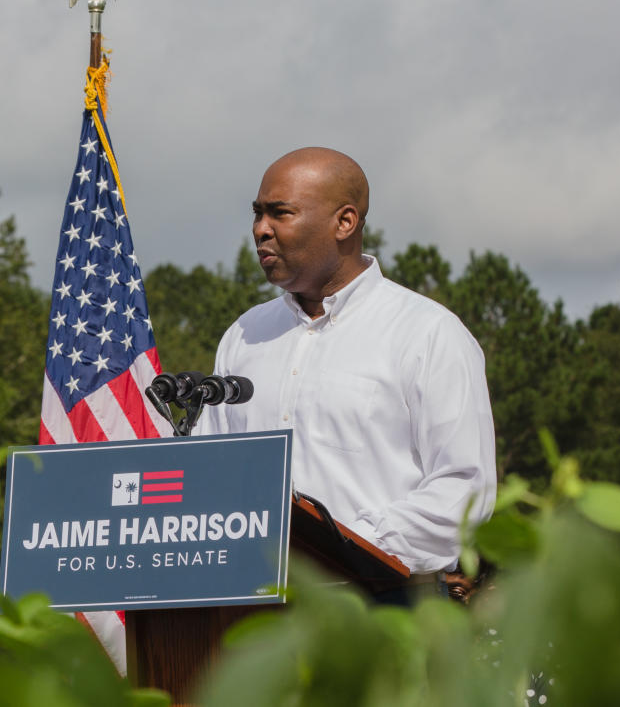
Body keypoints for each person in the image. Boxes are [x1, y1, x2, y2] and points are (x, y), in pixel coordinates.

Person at [194, 147, 496, 577]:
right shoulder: (245, 335)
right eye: (257, 213)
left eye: (281, 213)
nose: (261, 229)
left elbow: (464, 492)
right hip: (252, 610)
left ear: (345, 222)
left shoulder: (428, 334)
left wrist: (342, 549)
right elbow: (213, 475)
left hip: (382, 610)